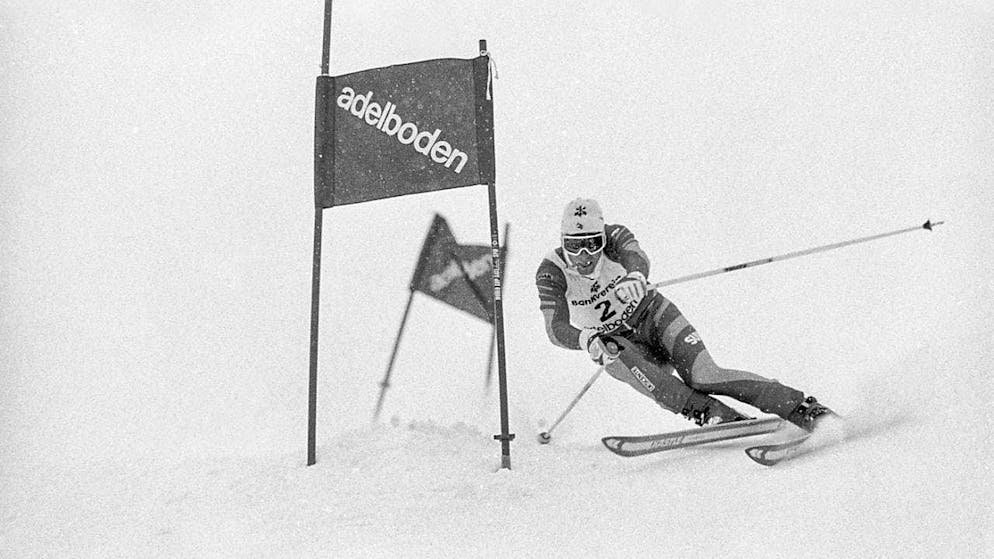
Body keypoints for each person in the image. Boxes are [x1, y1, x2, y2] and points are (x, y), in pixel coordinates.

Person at [535, 197, 833, 430]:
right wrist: (587, 339)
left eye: (592, 244)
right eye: (574, 247)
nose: (584, 256)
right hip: (615, 342)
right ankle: (722, 420)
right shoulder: (552, 271)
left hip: (653, 316)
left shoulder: (615, 237)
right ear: (563, 242)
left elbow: (635, 256)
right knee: (664, 389)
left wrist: (637, 276)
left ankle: (800, 407)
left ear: (602, 237)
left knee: (705, 376)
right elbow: (555, 328)